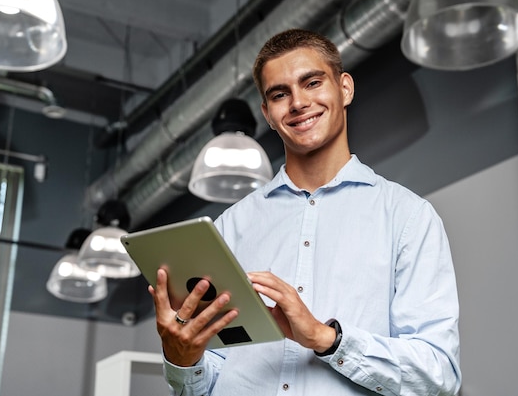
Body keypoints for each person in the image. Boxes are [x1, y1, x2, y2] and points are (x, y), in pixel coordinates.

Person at [149, 28, 462, 396]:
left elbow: (438, 375)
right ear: (267, 113)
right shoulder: (230, 227)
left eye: (312, 82)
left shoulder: (408, 217)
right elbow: (207, 381)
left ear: (344, 88)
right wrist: (182, 358)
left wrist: (325, 338)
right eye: (280, 94)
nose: (297, 103)